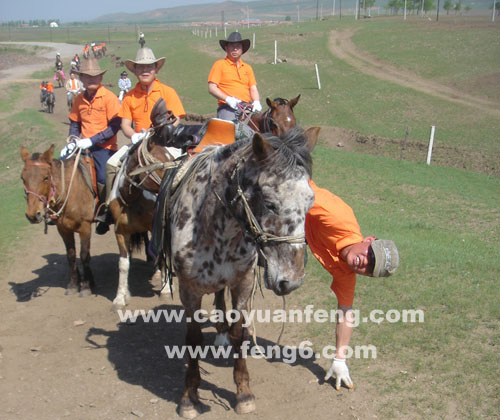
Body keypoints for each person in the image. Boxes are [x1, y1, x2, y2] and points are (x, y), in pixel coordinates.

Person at [305, 180, 399, 391]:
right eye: (371, 255)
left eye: (371, 269)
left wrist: (340, 359)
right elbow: (296, 187)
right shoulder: (337, 216)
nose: (365, 264)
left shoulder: (347, 273)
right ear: (368, 239)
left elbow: (346, 312)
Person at [62, 57, 121, 235]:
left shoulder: (109, 98)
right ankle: (57, 209)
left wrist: (93, 140)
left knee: (104, 177)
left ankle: (105, 212)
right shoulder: (78, 99)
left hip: (104, 147)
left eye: (94, 76)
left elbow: (115, 126)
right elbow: (74, 123)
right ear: (82, 79)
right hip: (82, 145)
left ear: (100, 78)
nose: (91, 79)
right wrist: (72, 139)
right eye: (87, 77)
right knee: (60, 166)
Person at [208, 31, 262, 122]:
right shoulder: (219, 65)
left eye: (238, 46)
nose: (235, 49)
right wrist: (227, 99)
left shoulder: (247, 68)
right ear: (226, 48)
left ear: (242, 49)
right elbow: (212, 88)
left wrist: (256, 102)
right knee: (230, 129)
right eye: (232, 46)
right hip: (228, 108)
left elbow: (253, 88)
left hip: (247, 107)